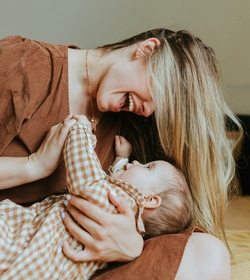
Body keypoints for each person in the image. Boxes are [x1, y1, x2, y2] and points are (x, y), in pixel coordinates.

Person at [0, 28, 236, 279]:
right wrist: (33, 167)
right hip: (11, 244)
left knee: (209, 254)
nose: (148, 112)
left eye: (160, 111)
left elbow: (164, 208)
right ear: (147, 49)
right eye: (160, 95)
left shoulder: (132, 125)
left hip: (70, 268)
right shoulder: (22, 62)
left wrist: (131, 244)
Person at [0, 115, 193, 279]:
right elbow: (114, 181)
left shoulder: (113, 204)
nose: (137, 162)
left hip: (25, 252)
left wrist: (81, 131)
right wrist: (121, 159)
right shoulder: (124, 221)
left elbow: (88, 176)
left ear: (150, 200)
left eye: (147, 166)